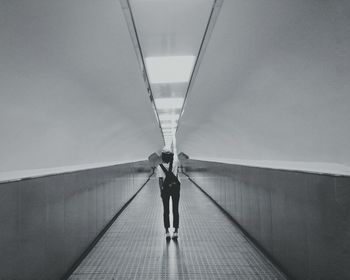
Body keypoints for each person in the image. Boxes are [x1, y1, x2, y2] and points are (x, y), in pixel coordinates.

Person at [157, 149, 181, 240]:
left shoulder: (159, 167)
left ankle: (167, 231)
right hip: (175, 189)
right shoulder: (175, 164)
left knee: (166, 210)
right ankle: (176, 231)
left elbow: (160, 180)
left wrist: (161, 191)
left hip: (165, 190)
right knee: (175, 209)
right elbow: (177, 175)